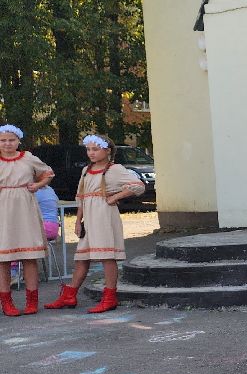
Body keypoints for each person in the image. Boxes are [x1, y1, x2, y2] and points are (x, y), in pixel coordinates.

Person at [45, 134, 142, 314]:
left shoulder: (115, 169)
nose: (91, 153)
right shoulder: (86, 170)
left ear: (108, 151)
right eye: (89, 149)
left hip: (104, 215)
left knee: (107, 256)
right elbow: (81, 196)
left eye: (95, 149)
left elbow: (137, 185)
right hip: (89, 217)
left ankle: (110, 296)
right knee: (82, 257)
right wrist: (78, 220)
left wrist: (116, 196)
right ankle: (69, 294)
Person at [0, 124, 54, 316]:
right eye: (3, 140)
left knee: (30, 257)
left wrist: (38, 185)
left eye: (11, 140)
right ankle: (7, 302)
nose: (7, 144)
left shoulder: (28, 158)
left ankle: (32, 301)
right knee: (3, 259)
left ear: (18, 141)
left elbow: (47, 173)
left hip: (25, 207)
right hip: (3, 209)